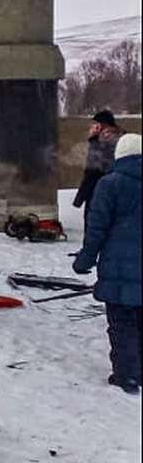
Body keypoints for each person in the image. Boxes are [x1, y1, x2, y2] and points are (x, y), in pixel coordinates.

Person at [73, 133, 140, 394]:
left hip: (118, 268)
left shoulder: (110, 184)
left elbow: (97, 229)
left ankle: (127, 376)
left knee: (122, 322)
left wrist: (84, 260)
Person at [73, 110, 123, 232]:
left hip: (102, 185)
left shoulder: (109, 139)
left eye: (96, 123)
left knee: (95, 220)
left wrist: (94, 140)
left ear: (103, 125)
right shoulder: (100, 139)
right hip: (99, 184)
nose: (93, 127)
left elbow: (96, 166)